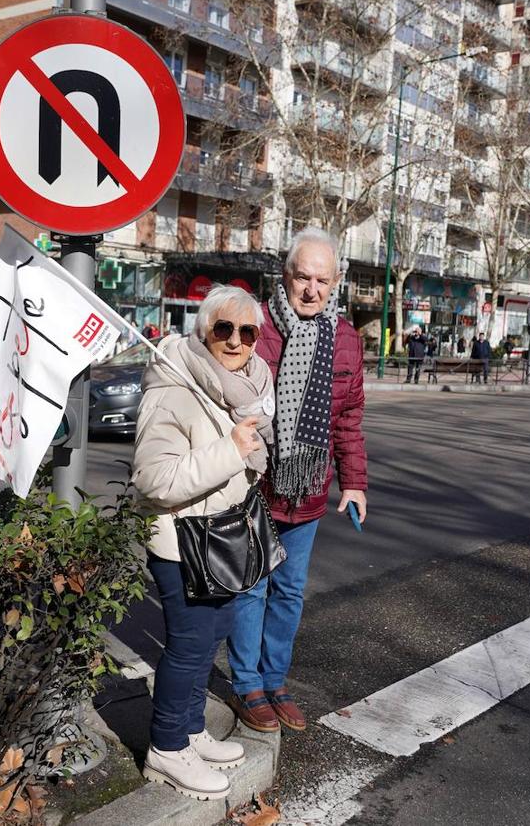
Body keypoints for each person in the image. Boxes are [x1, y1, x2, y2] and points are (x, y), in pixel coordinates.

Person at [132, 285, 274, 801]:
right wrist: (231, 450)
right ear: (203, 330)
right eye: (224, 329)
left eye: (248, 332)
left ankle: (190, 731)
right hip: (183, 541)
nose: (236, 341)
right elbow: (154, 479)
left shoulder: (243, 386)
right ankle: (167, 749)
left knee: (211, 636)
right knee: (190, 647)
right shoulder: (175, 386)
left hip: (222, 537)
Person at [227, 226, 367, 735]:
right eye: (303, 277)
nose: (311, 289)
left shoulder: (346, 339)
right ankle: (247, 686)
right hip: (253, 485)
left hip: (307, 489)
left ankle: (275, 681)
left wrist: (354, 482)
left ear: (335, 284)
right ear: (285, 277)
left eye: (322, 280)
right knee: (251, 589)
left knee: (288, 592)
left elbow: (348, 418)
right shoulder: (251, 326)